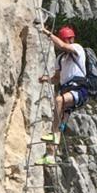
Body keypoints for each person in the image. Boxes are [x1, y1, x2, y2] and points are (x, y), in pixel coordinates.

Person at [35, 24, 89, 167]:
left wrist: (47, 33)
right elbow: (57, 78)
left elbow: (64, 47)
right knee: (60, 125)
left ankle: (53, 133)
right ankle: (50, 155)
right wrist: (47, 79)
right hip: (67, 89)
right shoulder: (60, 59)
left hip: (79, 89)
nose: (65, 42)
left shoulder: (78, 49)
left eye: (66, 40)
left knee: (58, 101)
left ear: (71, 39)